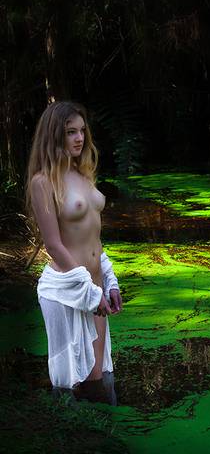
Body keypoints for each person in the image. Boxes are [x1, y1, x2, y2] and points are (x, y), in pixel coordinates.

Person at [26, 100, 123, 402]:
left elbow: (94, 238)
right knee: (72, 384)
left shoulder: (85, 174)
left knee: (98, 377)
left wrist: (109, 280)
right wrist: (90, 290)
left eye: (82, 131)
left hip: (94, 286)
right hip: (67, 289)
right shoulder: (42, 182)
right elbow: (53, 244)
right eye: (71, 132)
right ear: (55, 135)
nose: (79, 138)